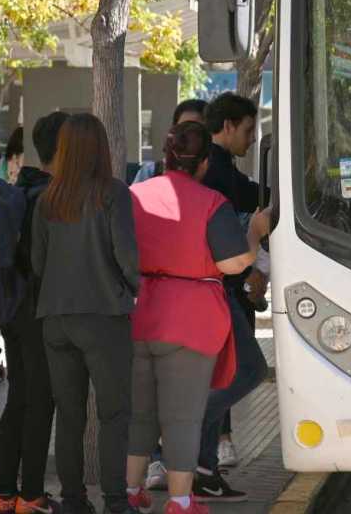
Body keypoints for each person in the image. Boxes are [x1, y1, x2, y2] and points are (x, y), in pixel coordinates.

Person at [126, 121, 271, 513]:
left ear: (166, 157)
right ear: (204, 162)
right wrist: (255, 234)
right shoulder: (210, 203)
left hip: (138, 312)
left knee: (140, 412)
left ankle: (130, 493)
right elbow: (235, 261)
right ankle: (180, 500)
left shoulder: (133, 195)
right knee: (183, 415)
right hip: (190, 320)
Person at [32, 113, 140, 514]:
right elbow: (126, 254)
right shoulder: (112, 193)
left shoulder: (48, 199)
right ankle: (115, 500)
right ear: (100, 147)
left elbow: (38, 263)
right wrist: (132, 289)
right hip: (103, 315)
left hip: (55, 318)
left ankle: (73, 500)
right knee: (114, 413)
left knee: (70, 415)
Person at [0, 112, 68, 514]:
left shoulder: (23, 187)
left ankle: (2, 494)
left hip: (12, 309)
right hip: (38, 310)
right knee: (41, 400)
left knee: (17, 397)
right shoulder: (53, 196)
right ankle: (31, 495)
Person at [190, 92, 268, 503]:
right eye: (249, 129)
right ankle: (193, 452)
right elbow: (224, 242)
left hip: (216, 293)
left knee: (230, 374)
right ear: (226, 126)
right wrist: (253, 263)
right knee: (249, 370)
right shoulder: (215, 174)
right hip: (218, 292)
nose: (252, 138)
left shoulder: (223, 169)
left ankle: (204, 469)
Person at [133, 99, 208, 185]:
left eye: (195, 130)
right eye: (182, 128)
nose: (188, 135)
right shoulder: (151, 172)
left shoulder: (219, 175)